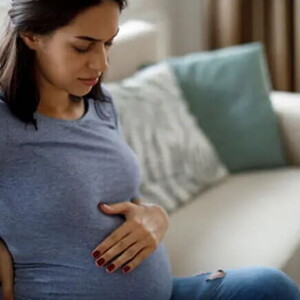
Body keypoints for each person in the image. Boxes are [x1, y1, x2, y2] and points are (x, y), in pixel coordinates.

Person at [0, 0, 299, 299]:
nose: (101, 63)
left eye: (108, 43)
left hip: (162, 292)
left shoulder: (101, 107)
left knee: (268, 286)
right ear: (31, 35)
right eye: (83, 47)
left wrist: (154, 217)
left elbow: (123, 200)